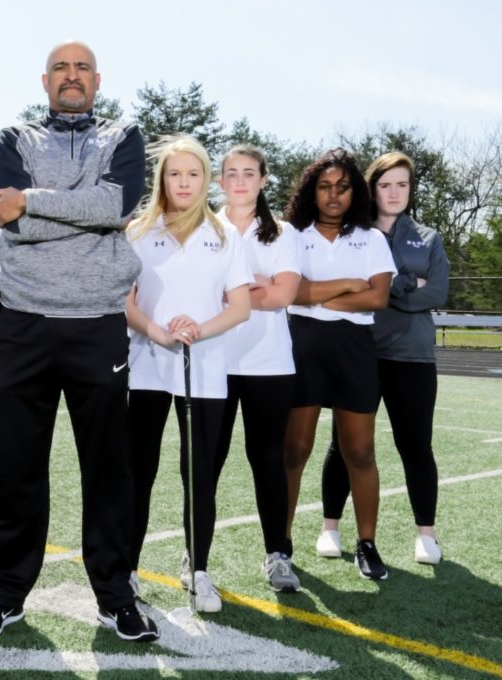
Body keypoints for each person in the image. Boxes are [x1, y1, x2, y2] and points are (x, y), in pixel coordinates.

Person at [0, 40, 159, 643]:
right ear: (44, 81)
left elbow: (117, 205)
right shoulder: (14, 137)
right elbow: (7, 216)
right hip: (23, 319)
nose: (71, 78)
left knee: (108, 467)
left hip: (98, 320)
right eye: (60, 69)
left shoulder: (123, 135)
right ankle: (5, 594)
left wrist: (37, 203)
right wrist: (67, 210)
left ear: (97, 80)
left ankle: (114, 595)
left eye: (81, 69)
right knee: (14, 465)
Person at [126, 135, 251, 613]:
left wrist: (198, 329)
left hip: (206, 368)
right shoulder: (139, 231)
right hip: (148, 367)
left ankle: (197, 569)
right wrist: (157, 331)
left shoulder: (225, 235)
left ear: (205, 180)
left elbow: (239, 308)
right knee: (139, 472)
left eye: (193, 174)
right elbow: (124, 302)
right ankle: (128, 569)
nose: (183, 182)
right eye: (174, 173)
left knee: (198, 473)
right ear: (162, 178)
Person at [319, 152, 449, 565]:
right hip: (359, 352)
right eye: (386, 184)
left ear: (410, 190)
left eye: (403, 185)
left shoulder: (428, 238)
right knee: (344, 447)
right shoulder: (354, 234)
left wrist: (387, 285)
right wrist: (410, 282)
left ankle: (425, 535)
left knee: (416, 446)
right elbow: (341, 289)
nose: (394, 193)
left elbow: (437, 293)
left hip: (412, 356)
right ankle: (330, 528)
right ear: (372, 188)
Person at [283, 148, 396, 580]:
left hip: (354, 349)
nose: (333, 195)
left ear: (356, 192)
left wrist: (320, 292)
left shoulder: (372, 239)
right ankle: (282, 542)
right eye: (325, 187)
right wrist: (348, 283)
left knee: (360, 451)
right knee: (294, 451)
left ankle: (366, 544)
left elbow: (377, 297)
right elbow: (292, 293)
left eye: (342, 187)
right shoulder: (292, 236)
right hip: (302, 345)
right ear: (312, 192)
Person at [212, 144, 302, 592]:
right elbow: (201, 294)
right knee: (206, 462)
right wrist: (256, 288)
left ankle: (279, 555)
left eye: (250, 172)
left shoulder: (283, 233)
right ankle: (198, 559)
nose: (241, 180)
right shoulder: (204, 226)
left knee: (267, 460)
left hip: (269, 365)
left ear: (264, 179)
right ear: (220, 180)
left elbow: (284, 296)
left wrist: (236, 294)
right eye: (231, 173)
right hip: (214, 362)